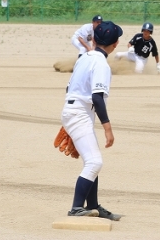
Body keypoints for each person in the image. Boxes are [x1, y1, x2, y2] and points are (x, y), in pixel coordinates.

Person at [61, 20, 123, 220]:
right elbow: (97, 97)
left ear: (94, 39)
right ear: (115, 44)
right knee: (94, 162)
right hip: (79, 114)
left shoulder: (85, 57)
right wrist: (108, 129)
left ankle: (93, 206)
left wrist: (70, 120)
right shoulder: (101, 64)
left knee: (92, 160)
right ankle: (76, 208)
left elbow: (70, 88)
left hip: (75, 112)